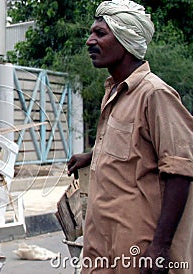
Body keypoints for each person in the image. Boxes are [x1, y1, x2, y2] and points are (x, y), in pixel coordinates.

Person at [67, 1, 193, 273]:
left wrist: (160, 246)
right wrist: (91, 157)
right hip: (102, 248)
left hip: (137, 252)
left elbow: (180, 171)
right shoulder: (115, 92)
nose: (90, 41)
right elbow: (133, 146)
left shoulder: (155, 94)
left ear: (126, 39)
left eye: (100, 34)